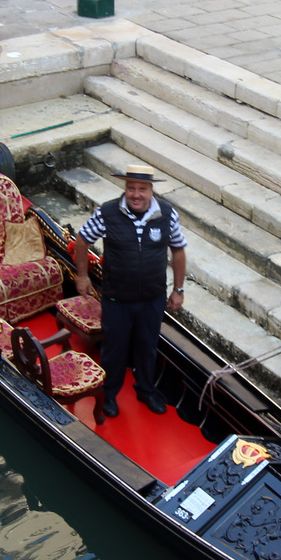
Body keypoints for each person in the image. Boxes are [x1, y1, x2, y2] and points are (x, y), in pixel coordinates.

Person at [73, 165, 187, 418]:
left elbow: (178, 250)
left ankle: (145, 390)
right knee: (114, 348)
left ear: (151, 190)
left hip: (152, 298)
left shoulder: (167, 214)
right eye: (131, 188)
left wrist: (178, 289)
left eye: (142, 189)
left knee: (147, 347)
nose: (136, 194)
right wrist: (82, 276)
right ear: (126, 189)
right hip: (117, 298)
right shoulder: (108, 212)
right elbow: (82, 239)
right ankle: (109, 394)